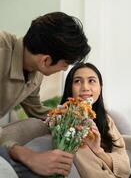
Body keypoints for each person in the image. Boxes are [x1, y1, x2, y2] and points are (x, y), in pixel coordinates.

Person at [0, 12, 91, 177]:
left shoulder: (36, 71)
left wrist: (76, 121)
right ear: (46, 60)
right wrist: (24, 154)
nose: (64, 70)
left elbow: (37, 111)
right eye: (65, 65)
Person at [60, 62, 131, 178]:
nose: (85, 88)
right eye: (77, 81)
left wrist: (98, 150)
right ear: (70, 88)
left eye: (91, 81)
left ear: (100, 88)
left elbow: (125, 167)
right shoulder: (67, 125)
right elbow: (92, 173)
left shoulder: (105, 119)